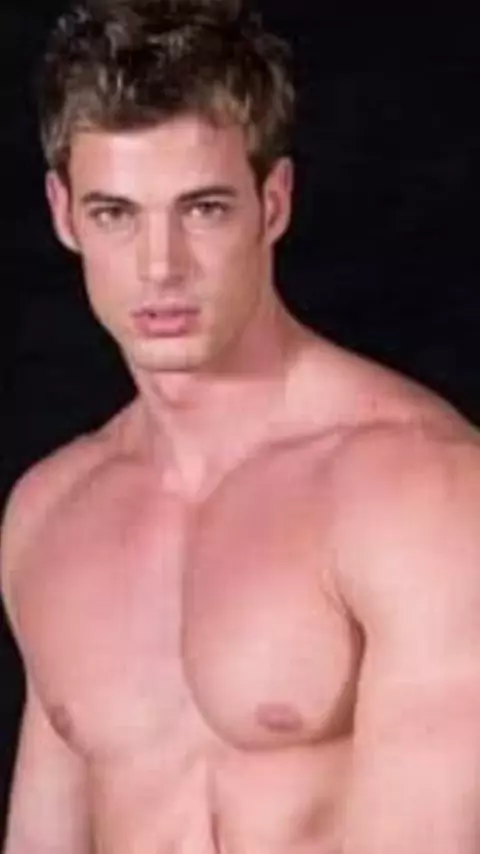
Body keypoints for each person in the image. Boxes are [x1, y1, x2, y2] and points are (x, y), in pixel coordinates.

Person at [2, 0, 480, 851]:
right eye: (116, 212)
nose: (161, 266)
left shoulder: (419, 491)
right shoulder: (48, 514)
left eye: (204, 208)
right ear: (63, 214)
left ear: (274, 201)